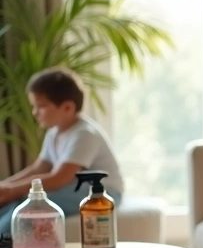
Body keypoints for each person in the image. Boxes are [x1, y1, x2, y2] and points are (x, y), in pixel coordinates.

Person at [0, 67, 124, 237]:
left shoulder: (84, 134)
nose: (35, 113)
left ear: (67, 107)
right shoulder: (54, 132)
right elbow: (38, 168)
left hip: (100, 192)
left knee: (28, 204)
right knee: (10, 202)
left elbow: (59, 178)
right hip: (72, 189)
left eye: (41, 106)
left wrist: (11, 190)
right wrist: (6, 186)